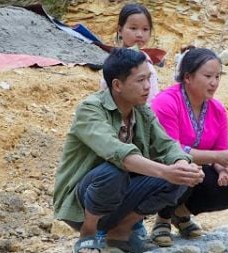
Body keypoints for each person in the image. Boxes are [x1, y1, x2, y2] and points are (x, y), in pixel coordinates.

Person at [53, 48, 204, 253]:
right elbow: (118, 152)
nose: (147, 86)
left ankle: (120, 231)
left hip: (121, 195)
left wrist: (182, 166)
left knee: (179, 176)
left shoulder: (141, 110)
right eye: (140, 80)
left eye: (148, 79)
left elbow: (167, 145)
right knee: (112, 171)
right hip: (82, 203)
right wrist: (166, 171)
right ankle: (88, 233)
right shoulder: (90, 109)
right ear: (117, 85)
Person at [150, 47, 228, 247]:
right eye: (208, 76)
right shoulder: (167, 102)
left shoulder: (217, 110)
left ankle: (181, 214)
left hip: (196, 171)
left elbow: (219, 152)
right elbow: (171, 150)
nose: (214, 82)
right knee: (183, 168)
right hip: (161, 167)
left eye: (218, 76)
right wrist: (218, 158)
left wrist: (223, 170)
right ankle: (163, 219)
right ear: (188, 77)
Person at [99, 3, 159, 104]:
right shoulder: (115, 61)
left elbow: (153, 96)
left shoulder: (146, 60)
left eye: (145, 29)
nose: (140, 34)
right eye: (133, 28)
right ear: (120, 30)